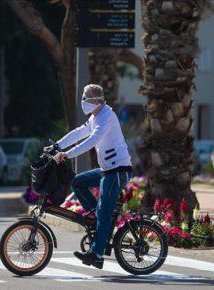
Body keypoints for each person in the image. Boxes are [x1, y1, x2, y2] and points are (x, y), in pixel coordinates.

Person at [49, 84, 132, 269]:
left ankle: (97, 254)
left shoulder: (107, 117)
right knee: (77, 182)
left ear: (96, 101)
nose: (82, 102)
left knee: (104, 211)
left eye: (85, 99)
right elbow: (79, 132)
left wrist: (67, 154)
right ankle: (96, 220)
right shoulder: (95, 117)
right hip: (107, 170)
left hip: (118, 170)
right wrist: (57, 145)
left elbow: (92, 140)